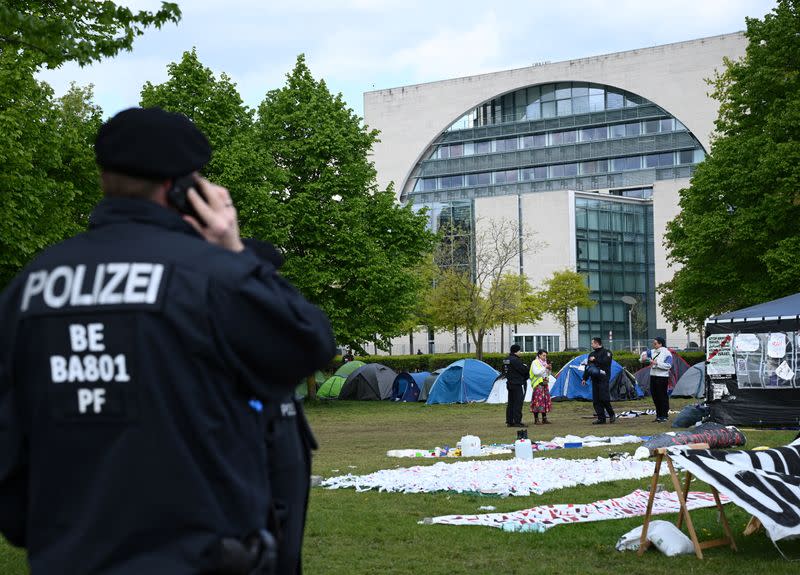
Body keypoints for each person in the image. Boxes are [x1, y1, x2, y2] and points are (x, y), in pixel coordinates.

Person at [0, 107, 336, 574]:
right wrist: (235, 251)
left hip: (69, 553)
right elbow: (309, 344)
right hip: (195, 553)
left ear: (104, 177)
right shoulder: (211, 276)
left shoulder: (32, 284)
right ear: (182, 188)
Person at [642, 336, 673, 422]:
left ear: (660, 344)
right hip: (653, 376)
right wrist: (643, 356)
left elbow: (668, 365)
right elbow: (644, 355)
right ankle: (658, 415)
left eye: (655, 343)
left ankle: (664, 416)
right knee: (655, 396)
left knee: (662, 396)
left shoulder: (667, 353)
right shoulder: (653, 352)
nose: (653, 345)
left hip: (662, 377)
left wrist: (656, 363)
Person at [585, 337, 615, 424]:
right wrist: (585, 378)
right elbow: (588, 367)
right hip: (595, 380)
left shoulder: (607, 352)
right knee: (596, 400)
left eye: (592, 343)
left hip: (604, 379)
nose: (591, 345)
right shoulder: (591, 354)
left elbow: (606, 362)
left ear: (597, 343)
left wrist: (595, 360)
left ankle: (611, 414)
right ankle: (601, 418)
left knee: (604, 398)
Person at [503, 344, 529, 427]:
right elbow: (523, 370)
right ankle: (517, 421)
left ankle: (509, 421)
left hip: (509, 383)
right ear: (516, 351)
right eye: (519, 351)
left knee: (511, 403)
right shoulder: (516, 360)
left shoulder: (506, 360)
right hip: (517, 384)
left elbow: (504, 371)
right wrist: (526, 367)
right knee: (518, 403)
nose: (520, 352)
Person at [529, 349, 552, 424]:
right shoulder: (535, 362)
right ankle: (536, 419)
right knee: (537, 402)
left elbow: (547, 374)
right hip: (538, 385)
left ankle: (544, 418)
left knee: (545, 401)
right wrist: (545, 368)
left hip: (544, 384)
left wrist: (549, 370)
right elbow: (536, 373)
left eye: (546, 355)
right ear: (539, 355)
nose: (545, 357)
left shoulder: (545, 363)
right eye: (543, 355)